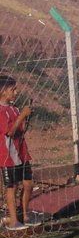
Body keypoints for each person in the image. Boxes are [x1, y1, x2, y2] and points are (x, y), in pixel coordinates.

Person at [0, 75, 35, 230]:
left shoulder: (14, 108)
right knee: (11, 187)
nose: (16, 92)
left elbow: (20, 128)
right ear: (3, 91)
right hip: (8, 155)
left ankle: (25, 215)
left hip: (21, 151)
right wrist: (22, 116)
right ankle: (14, 221)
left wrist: (25, 117)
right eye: (13, 89)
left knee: (28, 184)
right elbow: (10, 132)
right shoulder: (1, 111)